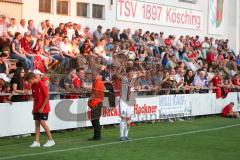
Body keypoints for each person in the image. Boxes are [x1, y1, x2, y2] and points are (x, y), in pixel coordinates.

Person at [25, 72, 55, 147]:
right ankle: (37, 141)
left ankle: (51, 140)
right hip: (36, 108)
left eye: (29, 81)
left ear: (33, 78)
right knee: (37, 123)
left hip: (44, 108)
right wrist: (33, 108)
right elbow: (35, 98)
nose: (29, 83)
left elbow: (47, 96)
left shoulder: (42, 85)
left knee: (42, 122)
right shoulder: (33, 86)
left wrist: (42, 108)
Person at [119, 67, 138, 141]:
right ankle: (121, 136)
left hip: (131, 101)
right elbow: (117, 75)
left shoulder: (135, 80)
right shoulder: (124, 79)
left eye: (133, 72)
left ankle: (126, 135)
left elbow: (137, 87)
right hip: (123, 101)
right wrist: (120, 68)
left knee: (129, 118)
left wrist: (137, 88)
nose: (132, 73)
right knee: (123, 118)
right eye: (131, 72)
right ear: (128, 73)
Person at [87, 69, 105, 141]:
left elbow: (94, 94)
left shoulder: (97, 82)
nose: (92, 76)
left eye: (93, 75)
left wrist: (89, 99)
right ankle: (96, 136)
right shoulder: (96, 82)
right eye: (92, 75)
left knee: (95, 120)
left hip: (96, 103)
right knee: (95, 120)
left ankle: (97, 136)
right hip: (96, 102)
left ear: (97, 75)